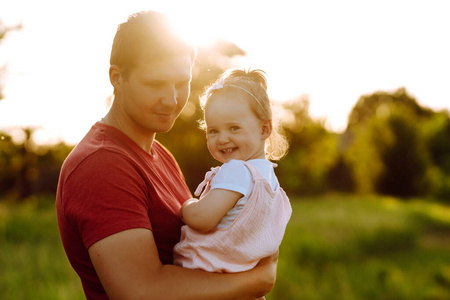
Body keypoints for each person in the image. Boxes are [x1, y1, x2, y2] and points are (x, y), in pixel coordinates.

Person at [56, 11, 278, 300]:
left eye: (181, 82)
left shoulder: (160, 154)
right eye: (156, 84)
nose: (172, 99)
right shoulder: (101, 165)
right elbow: (141, 291)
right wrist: (257, 281)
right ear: (117, 78)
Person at [173, 69, 292, 278]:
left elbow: (203, 218)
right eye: (213, 131)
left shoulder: (238, 170)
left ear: (264, 129)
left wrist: (186, 206)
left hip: (203, 272)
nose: (222, 138)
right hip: (237, 276)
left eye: (234, 128)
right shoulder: (270, 181)